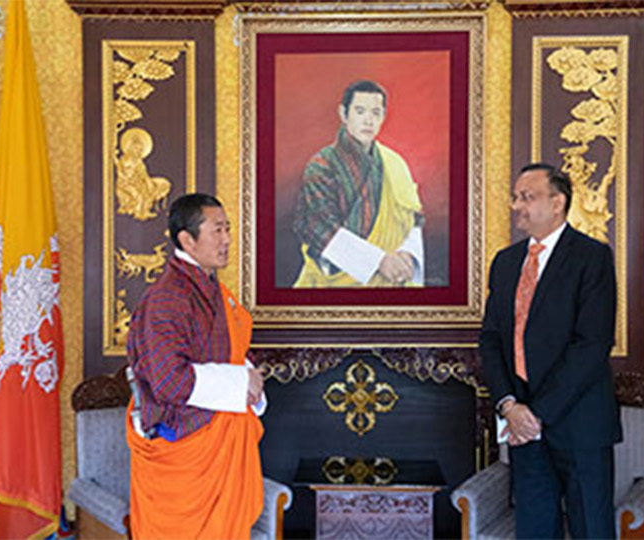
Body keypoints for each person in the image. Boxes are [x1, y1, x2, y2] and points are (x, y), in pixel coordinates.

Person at [478, 163, 623, 539]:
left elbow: (591, 345)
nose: (516, 206)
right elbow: (491, 340)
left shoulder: (592, 258)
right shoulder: (506, 263)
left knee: (591, 528)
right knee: (534, 529)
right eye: (515, 198)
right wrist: (510, 406)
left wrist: (536, 414)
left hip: (579, 426)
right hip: (523, 428)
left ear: (558, 202)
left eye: (527, 197)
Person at [125, 193, 268, 539]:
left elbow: (226, 353)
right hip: (183, 455)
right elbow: (168, 382)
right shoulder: (167, 297)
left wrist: (248, 380)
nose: (227, 239)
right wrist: (240, 383)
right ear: (187, 240)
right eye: (217, 230)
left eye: (228, 229)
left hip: (217, 444)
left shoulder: (215, 292)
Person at [289, 79, 425, 288]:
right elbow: (323, 230)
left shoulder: (394, 163)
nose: (368, 120)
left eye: (375, 113)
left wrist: (407, 254)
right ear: (344, 114)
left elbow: (413, 218)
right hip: (333, 285)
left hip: (392, 279)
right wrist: (379, 261)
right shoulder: (321, 165)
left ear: (383, 117)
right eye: (360, 111)